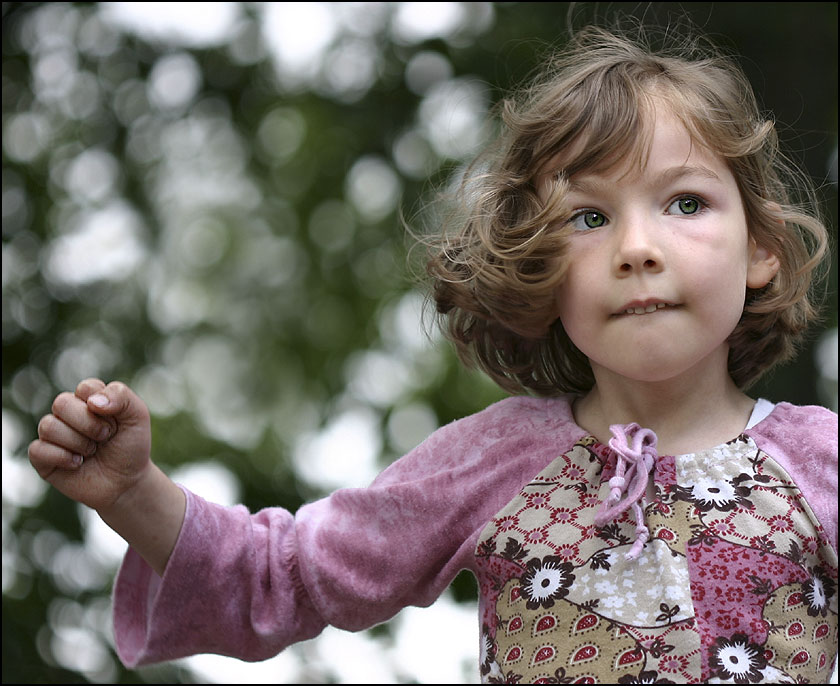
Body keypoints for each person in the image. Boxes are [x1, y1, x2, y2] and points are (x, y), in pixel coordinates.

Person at [28, 24, 837, 684]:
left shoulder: (822, 462)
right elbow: (283, 574)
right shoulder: (496, 459)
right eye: (588, 218)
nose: (637, 247)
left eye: (685, 202)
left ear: (762, 247)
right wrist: (132, 493)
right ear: (541, 268)